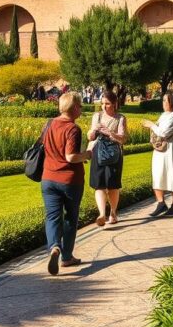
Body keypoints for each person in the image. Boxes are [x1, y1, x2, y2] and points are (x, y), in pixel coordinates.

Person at [41, 92, 92, 275]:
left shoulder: (49, 124)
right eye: (80, 106)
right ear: (75, 108)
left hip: (48, 178)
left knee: (52, 216)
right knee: (70, 216)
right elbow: (70, 156)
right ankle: (67, 256)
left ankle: (54, 247)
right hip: (69, 180)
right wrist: (86, 155)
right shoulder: (73, 128)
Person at [88, 91, 127, 226]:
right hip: (98, 152)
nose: (104, 106)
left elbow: (123, 138)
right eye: (102, 103)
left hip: (113, 154)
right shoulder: (97, 116)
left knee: (112, 185)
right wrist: (93, 131)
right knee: (99, 185)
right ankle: (102, 214)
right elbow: (90, 137)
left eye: (107, 103)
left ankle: (113, 212)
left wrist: (110, 133)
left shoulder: (120, 118)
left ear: (115, 104)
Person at [143, 91, 173, 216]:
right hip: (160, 148)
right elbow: (159, 132)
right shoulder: (164, 115)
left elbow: (164, 133)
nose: (164, 103)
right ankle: (161, 203)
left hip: (170, 148)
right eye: (163, 100)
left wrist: (151, 125)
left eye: (166, 100)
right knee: (157, 174)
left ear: (172, 102)